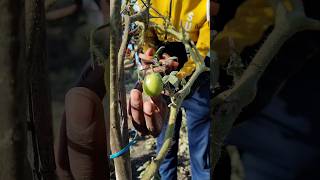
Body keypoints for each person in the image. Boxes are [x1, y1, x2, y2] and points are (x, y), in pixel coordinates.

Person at [128, 0, 211, 179]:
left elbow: (204, 48)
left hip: (197, 78)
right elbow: (147, 33)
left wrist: (180, 74)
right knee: (166, 143)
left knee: (201, 147)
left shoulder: (204, 5)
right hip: (163, 79)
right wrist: (149, 53)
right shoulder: (147, 3)